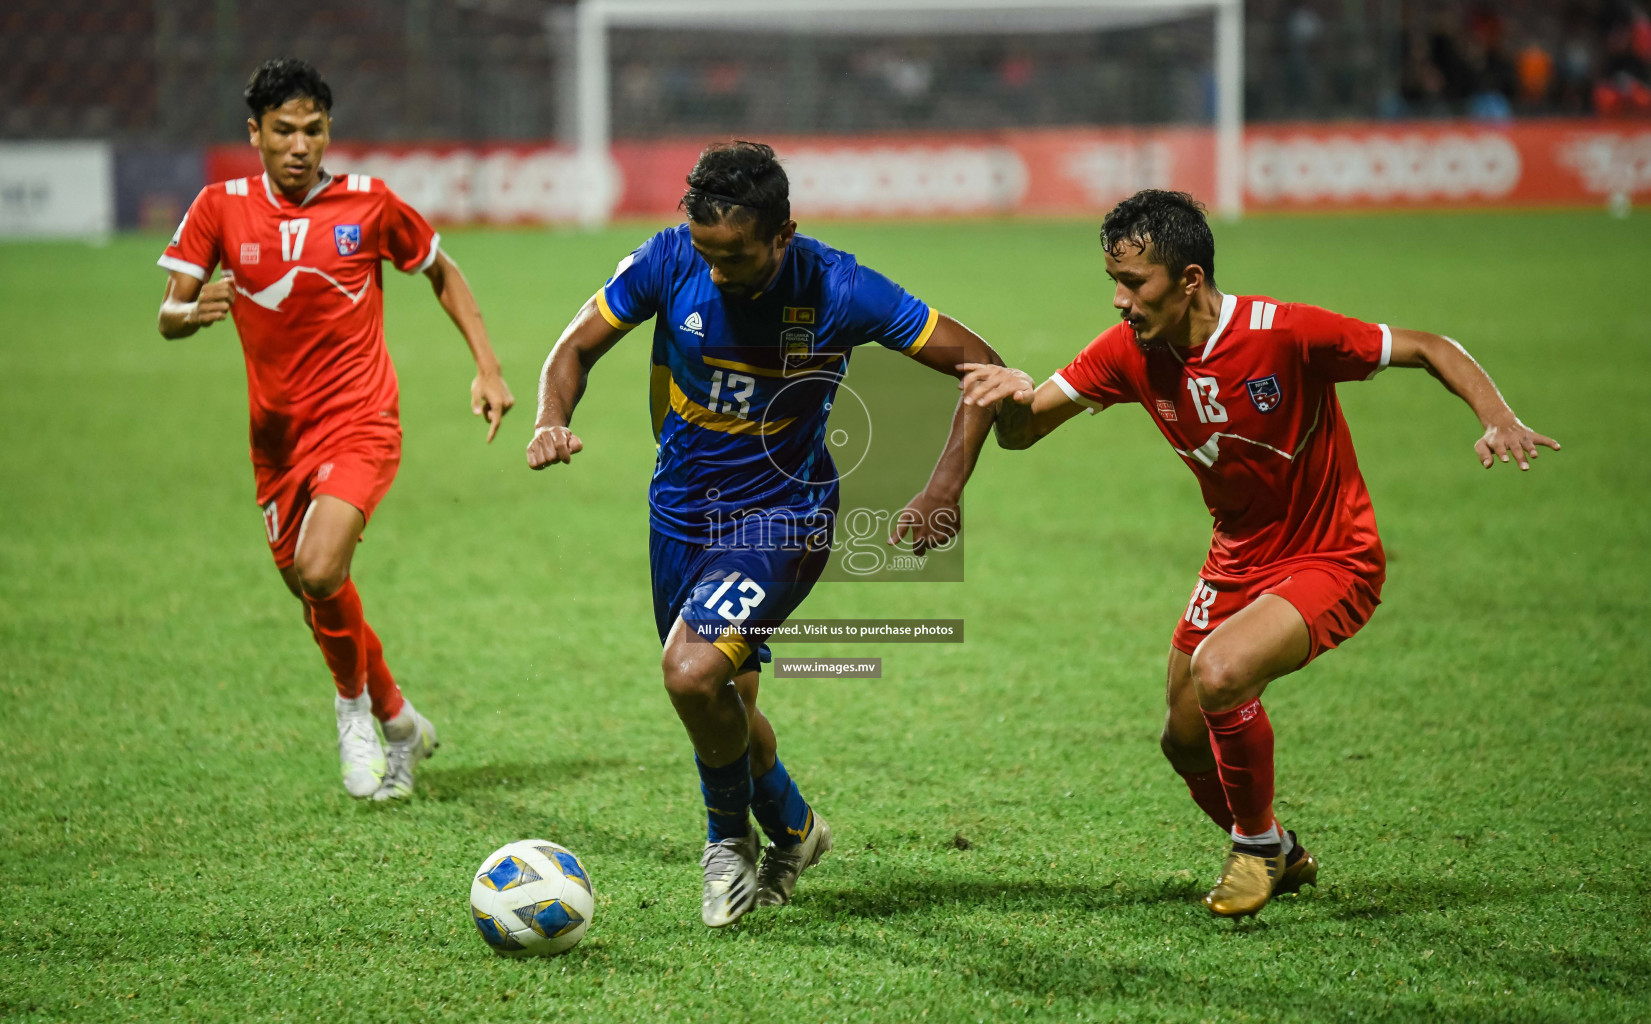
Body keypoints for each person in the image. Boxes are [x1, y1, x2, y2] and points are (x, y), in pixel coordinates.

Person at [958, 190, 1558, 919]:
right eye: (1112, 282)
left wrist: (1496, 417)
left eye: (1134, 283)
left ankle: (1250, 846)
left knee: (1221, 672)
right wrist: (1006, 398)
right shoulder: (1128, 352)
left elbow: (1429, 347)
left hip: (1331, 556)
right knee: (1181, 742)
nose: (1118, 300)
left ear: (1187, 280)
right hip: (1236, 559)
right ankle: (1277, 848)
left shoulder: (1284, 335)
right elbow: (1023, 435)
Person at [526, 141, 1003, 927]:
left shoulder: (840, 288)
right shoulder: (667, 258)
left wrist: (944, 484)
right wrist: (551, 419)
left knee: (687, 674)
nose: (716, 270)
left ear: (783, 235)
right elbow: (573, 347)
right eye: (706, 251)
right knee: (723, 706)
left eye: (736, 255)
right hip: (679, 515)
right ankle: (795, 832)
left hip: (786, 515)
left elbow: (981, 366)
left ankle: (726, 843)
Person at [155, 58, 514, 801]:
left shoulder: (368, 204)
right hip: (275, 442)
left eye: (313, 130)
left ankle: (353, 712)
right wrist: (190, 314)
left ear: (328, 133)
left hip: (361, 422)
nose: (299, 145)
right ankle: (400, 721)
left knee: (320, 571)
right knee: (313, 587)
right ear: (254, 133)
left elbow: (441, 270)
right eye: (283, 130)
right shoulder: (220, 207)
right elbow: (170, 310)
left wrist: (487, 366)